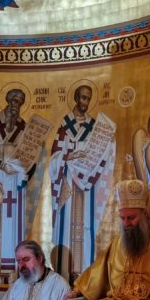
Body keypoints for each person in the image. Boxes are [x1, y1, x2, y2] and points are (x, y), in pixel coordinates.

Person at [48, 84, 116, 281]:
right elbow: (55, 158)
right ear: (76, 98)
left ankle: (84, 275)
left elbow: (102, 153)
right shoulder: (65, 125)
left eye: (88, 98)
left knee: (85, 226)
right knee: (67, 227)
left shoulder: (95, 127)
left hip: (87, 189)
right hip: (68, 183)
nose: (85, 102)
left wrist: (110, 141)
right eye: (83, 97)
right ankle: (64, 274)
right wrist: (70, 156)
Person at [0, 88, 44, 283]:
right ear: (8, 101)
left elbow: (30, 160)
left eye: (20, 101)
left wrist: (18, 169)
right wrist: (0, 165)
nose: (16, 104)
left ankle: (13, 272)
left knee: (14, 226)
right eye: (14, 100)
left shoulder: (24, 128)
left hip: (16, 187)